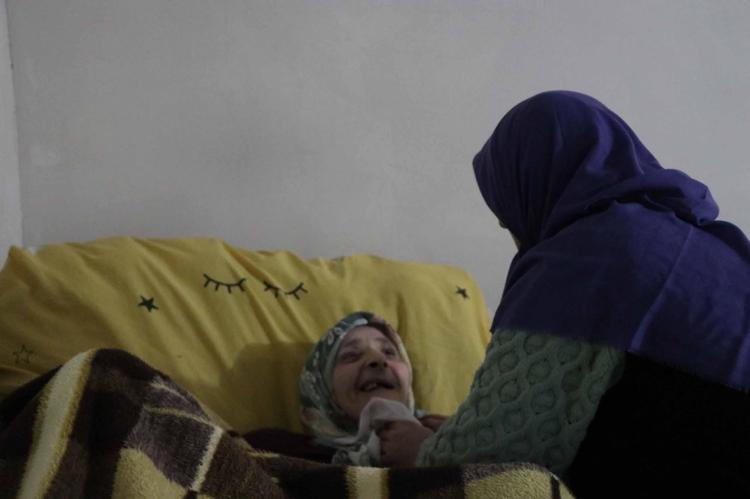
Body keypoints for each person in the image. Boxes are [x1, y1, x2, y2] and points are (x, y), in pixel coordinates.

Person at [379, 90, 750, 495]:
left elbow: (488, 464)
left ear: (534, 191)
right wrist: (468, 427)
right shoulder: (705, 244)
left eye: (508, 220)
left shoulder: (582, 258)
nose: (516, 238)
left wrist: (422, 452)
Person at [299, 311, 445, 466]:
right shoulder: (301, 461)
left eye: (389, 352)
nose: (378, 359)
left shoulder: (450, 434)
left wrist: (444, 448)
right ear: (323, 390)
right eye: (351, 355)